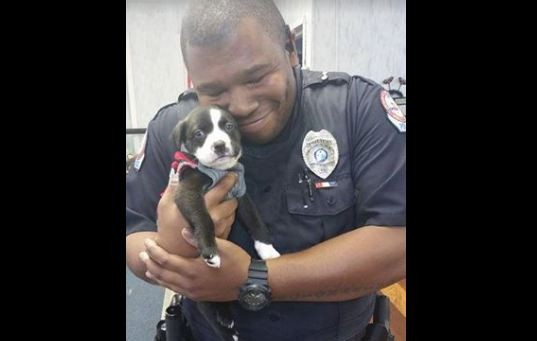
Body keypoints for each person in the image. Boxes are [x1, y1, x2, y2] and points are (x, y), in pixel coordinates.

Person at [126, 0, 406, 340]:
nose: (241, 107)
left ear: (290, 48)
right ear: (191, 79)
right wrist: (170, 246)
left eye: (257, 77)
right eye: (213, 91)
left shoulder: (356, 110)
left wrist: (252, 278)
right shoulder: (175, 127)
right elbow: (134, 233)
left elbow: (397, 242)